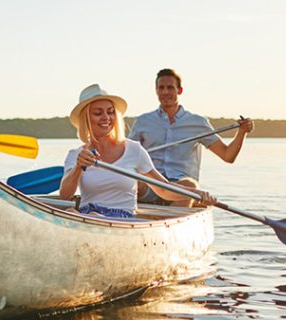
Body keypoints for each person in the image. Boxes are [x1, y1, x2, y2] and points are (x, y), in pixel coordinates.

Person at [60, 84, 215, 219]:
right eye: (98, 113)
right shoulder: (75, 155)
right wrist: (78, 168)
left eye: (110, 112)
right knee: (71, 211)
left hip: (123, 219)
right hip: (86, 217)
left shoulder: (134, 149)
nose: (106, 117)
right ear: (86, 118)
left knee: (90, 216)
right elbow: (65, 196)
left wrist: (196, 194)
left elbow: (163, 188)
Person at [129, 68, 254, 203]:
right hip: (152, 185)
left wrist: (241, 133)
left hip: (183, 189)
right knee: (132, 182)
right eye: (161, 88)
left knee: (190, 185)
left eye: (170, 88)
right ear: (156, 90)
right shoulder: (143, 121)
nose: (165, 92)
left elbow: (228, 155)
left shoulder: (197, 123)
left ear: (179, 90)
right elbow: (127, 155)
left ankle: (167, 220)